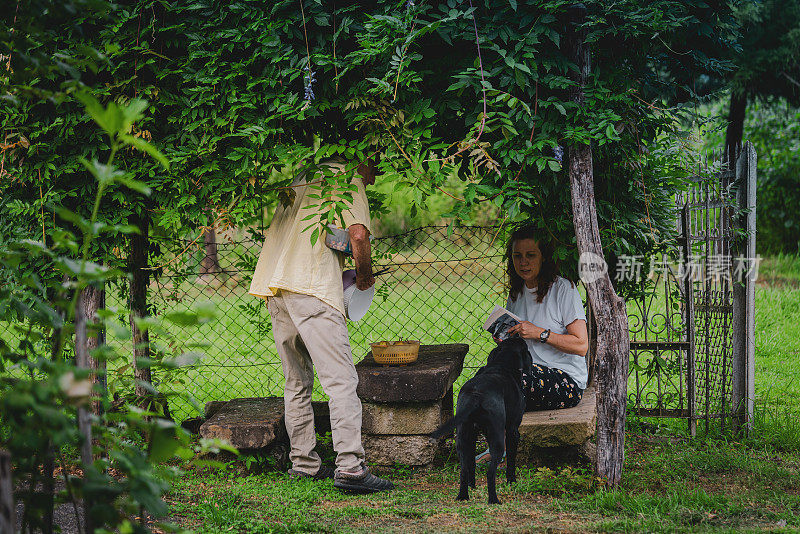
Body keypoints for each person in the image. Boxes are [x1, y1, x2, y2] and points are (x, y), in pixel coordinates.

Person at [249, 157, 394, 493]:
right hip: (312, 288)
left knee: (296, 381)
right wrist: (364, 277)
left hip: (277, 287)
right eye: (376, 168)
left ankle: (303, 464)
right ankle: (350, 468)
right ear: (364, 160)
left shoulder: (305, 172)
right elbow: (358, 235)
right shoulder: (347, 179)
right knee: (341, 381)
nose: (375, 177)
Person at [476, 225, 589, 464]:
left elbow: (581, 345)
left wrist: (540, 333)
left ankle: (502, 448)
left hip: (565, 379)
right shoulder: (516, 293)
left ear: (544, 257)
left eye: (531, 255)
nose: (523, 262)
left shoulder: (563, 289)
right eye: (517, 256)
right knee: (482, 377)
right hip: (529, 374)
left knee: (510, 380)